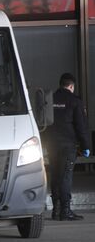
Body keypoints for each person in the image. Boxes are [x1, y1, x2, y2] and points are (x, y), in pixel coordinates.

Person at [46, 73, 90, 221]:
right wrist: (86, 146)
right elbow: (81, 126)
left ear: (60, 84)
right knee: (65, 176)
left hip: (51, 144)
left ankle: (56, 210)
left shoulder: (49, 99)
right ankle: (65, 211)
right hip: (67, 145)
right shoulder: (75, 101)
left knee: (55, 175)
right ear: (71, 86)